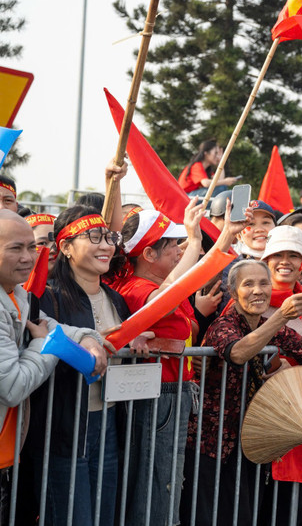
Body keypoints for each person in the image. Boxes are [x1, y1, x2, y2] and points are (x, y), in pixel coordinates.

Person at [110, 198, 245, 525]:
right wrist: (198, 241)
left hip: (173, 393)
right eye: (173, 244)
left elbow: (180, 286)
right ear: (148, 254)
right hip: (159, 394)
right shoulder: (138, 288)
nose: (180, 250)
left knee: (167, 479)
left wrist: (224, 237)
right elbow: (168, 297)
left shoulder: (160, 286)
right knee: (157, 480)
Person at [183, 259, 302, 526]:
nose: (258, 290)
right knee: (205, 517)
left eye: (264, 283)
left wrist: (300, 372)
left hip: (251, 441)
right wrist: (281, 317)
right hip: (209, 442)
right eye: (248, 284)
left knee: (244, 515)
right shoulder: (222, 325)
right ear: (233, 290)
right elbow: (237, 352)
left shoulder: (271, 325)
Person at [29, 205, 140, 526]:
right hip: (62, 427)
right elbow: (43, 353)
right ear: (64, 247)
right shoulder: (47, 298)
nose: (106, 246)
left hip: (107, 422)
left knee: (104, 516)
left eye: (108, 237)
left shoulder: (115, 299)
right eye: (93, 237)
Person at [0, 210, 106, 522]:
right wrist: (47, 347)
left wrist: (89, 340)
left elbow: (51, 325)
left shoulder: (18, 294)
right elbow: (13, 386)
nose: (28, 257)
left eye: (31, 247)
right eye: (15, 248)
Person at [261, 226, 302, 343]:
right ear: (267, 262)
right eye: (277, 255)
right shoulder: (252, 298)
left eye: (293, 255)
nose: (285, 261)